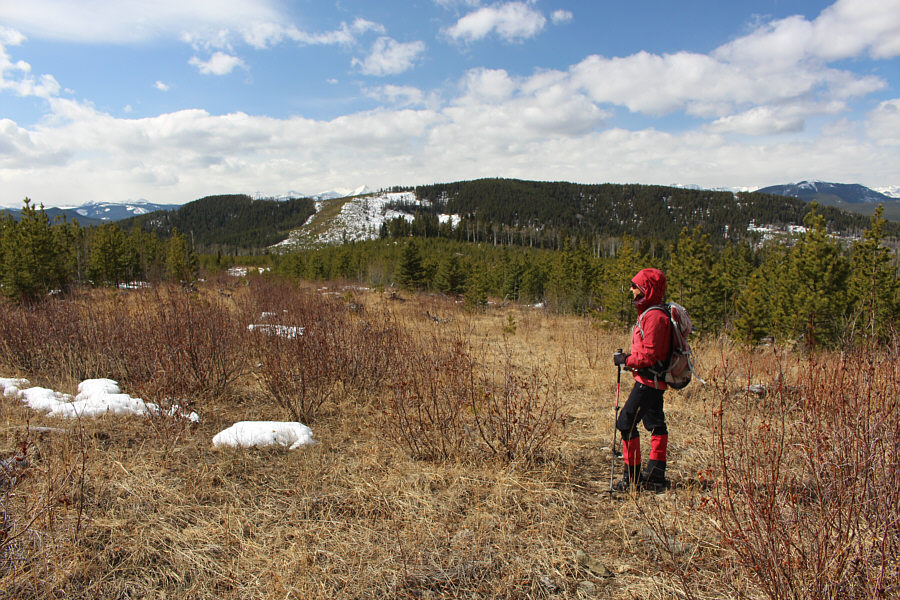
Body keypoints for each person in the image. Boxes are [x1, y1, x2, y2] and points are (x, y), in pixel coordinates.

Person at [611, 267, 671, 492]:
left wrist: (626, 359)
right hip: (653, 380)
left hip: (648, 381)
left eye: (635, 286)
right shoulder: (652, 312)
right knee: (655, 423)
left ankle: (632, 480)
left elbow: (650, 354)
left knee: (626, 423)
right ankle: (655, 476)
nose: (631, 290)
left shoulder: (655, 316)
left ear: (647, 288)